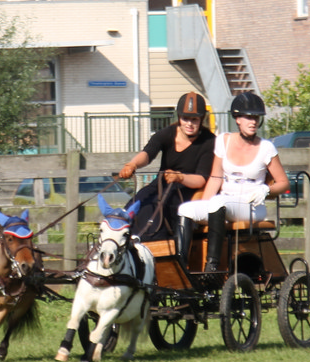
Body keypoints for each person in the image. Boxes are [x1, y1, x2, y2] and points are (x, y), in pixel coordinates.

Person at [176, 91, 290, 274]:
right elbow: (215, 178)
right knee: (186, 209)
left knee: (218, 202)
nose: (253, 122)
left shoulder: (266, 147)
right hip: (223, 204)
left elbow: (284, 183)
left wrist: (266, 190)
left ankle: (212, 268)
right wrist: (204, 204)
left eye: (256, 118)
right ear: (237, 119)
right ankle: (181, 268)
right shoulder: (223, 141)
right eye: (248, 117)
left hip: (252, 206)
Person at [117, 92, 218, 258]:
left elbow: (201, 179)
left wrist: (180, 177)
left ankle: (158, 252)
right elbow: (148, 153)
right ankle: (122, 246)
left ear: (201, 119)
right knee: (138, 201)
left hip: (188, 189)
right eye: (185, 118)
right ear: (179, 117)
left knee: (160, 207)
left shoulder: (209, 141)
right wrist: (133, 164)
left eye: (194, 119)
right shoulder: (167, 133)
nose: (190, 123)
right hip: (162, 183)